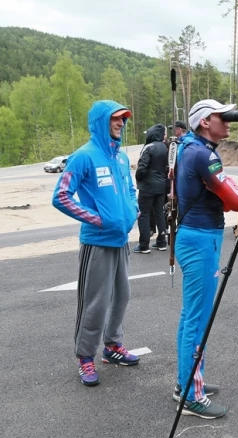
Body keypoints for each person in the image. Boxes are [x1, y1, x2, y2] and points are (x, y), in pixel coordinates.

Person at [52, 100, 140, 386]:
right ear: (101, 122)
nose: (121, 124)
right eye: (116, 119)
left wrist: (133, 209)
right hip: (97, 242)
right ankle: (85, 357)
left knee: (121, 297)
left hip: (121, 240)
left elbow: (129, 188)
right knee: (95, 304)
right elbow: (61, 196)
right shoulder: (84, 156)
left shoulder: (122, 158)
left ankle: (112, 347)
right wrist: (98, 219)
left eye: (124, 119)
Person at [172, 99, 238, 419]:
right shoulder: (203, 154)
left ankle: (185, 383)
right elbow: (236, 201)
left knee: (192, 316)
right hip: (201, 241)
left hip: (195, 237)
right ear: (204, 122)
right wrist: (236, 188)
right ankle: (191, 396)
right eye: (222, 116)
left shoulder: (190, 147)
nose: (229, 120)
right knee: (198, 320)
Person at [134, 124, 169, 253]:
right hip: (161, 186)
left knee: (144, 214)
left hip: (147, 186)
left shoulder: (149, 147)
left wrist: (139, 178)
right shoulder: (166, 147)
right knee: (160, 213)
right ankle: (161, 242)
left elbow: (141, 167)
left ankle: (144, 245)